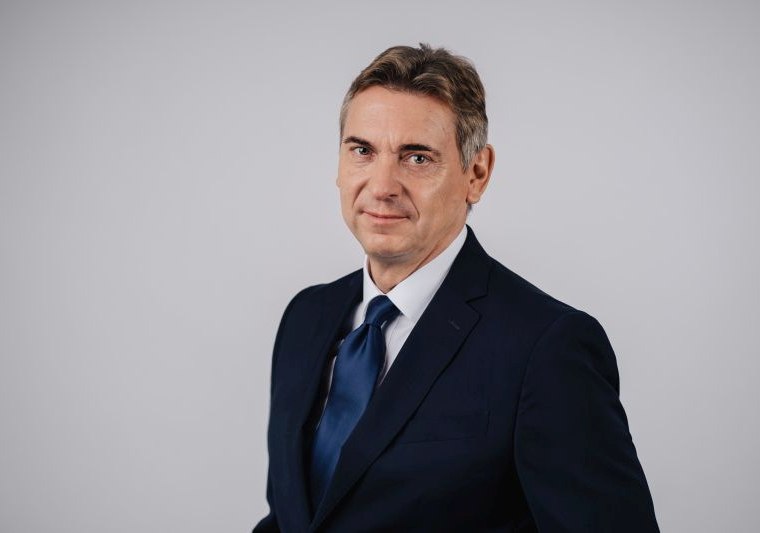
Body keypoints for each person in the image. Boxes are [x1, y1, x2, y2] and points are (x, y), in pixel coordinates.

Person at [253, 44, 659, 532]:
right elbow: (292, 518)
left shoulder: (546, 348)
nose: (381, 186)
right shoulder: (306, 316)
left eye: (417, 157)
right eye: (362, 151)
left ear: (476, 174)